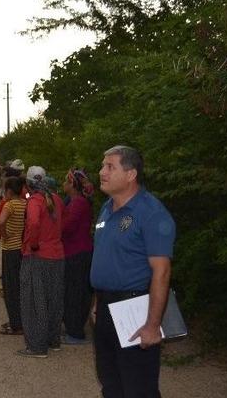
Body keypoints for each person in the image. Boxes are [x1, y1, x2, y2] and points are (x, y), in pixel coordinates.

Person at [91, 146, 175, 397]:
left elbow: (161, 272)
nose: (101, 172)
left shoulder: (150, 213)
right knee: (111, 383)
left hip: (134, 309)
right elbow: (106, 259)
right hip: (105, 307)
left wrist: (152, 324)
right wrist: (98, 300)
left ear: (131, 174)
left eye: (110, 167)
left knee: (138, 387)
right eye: (102, 165)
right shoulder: (107, 208)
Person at [18, 165, 65, 358]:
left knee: (34, 302)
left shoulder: (35, 202)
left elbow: (34, 223)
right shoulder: (57, 199)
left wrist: (34, 243)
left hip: (37, 256)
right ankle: (53, 340)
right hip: (57, 256)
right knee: (54, 299)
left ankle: (37, 346)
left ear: (28, 184)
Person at [61, 169, 95, 345]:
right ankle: (73, 328)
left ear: (73, 185)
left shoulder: (77, 204)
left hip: (77, 253)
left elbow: (66, 227)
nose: (63, 184)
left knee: (76, 292)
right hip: (75, 251)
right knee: (73, 291)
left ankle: (76, 332)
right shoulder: (74, 201)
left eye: (66, 181)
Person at [0, 176, 27, 336]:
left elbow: (1, 222)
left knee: (10, 288)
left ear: (9, 191)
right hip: (22, 249)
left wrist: (5, 235)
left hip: (10, 249)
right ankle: (22, 320)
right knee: (21, 287)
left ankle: (16, 324)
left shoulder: (9, 205)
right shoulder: (25, 203)